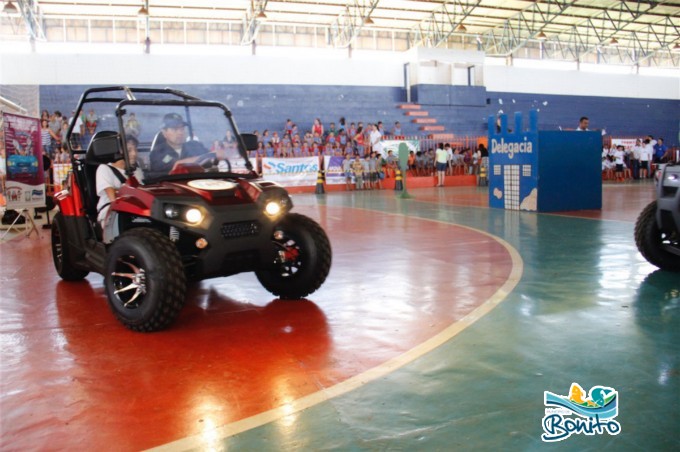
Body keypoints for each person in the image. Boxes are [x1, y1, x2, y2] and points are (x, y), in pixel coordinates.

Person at [96, 135, 144, 241]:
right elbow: (113, 198)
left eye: (135, 149)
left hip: (135, 210)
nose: (134, 154)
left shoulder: (137, 170)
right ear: (119, 151)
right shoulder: (104, 169)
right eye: (129, 150)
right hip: (111, 211)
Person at [148, 113, 206, 178]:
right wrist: (180, 163)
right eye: (174, 129)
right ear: (164, 132)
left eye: (182, 129)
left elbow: (212, 158)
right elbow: (161, 172)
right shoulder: (157, 153)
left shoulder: (195, 146)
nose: (180, 133)